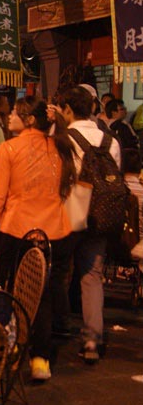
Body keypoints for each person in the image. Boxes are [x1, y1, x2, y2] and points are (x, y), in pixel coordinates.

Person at [0, 97, 76, 380]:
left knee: (13, 290)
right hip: (55, 231)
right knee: (43, 294)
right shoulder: (61, 147)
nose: (10, 115)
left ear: (30, 119)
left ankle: (12, 348)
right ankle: (40, 359)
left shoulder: (9, 148)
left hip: (17, 229)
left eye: (15, 112)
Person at [57, 86, 121, 367]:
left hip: (72, 208)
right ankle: (92, 339)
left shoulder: (64, 138)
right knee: (91, 276)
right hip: (103, 213)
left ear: (68, 110)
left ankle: (57, 327)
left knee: (59, 269)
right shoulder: (111, 140)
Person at [104, 99, 138, 166]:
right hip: (125, 159)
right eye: (122, 109)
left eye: (125, 108)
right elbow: (128, 143)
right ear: (113, 112)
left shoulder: (105, 125)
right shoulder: (121, 126)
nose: (125, 111)